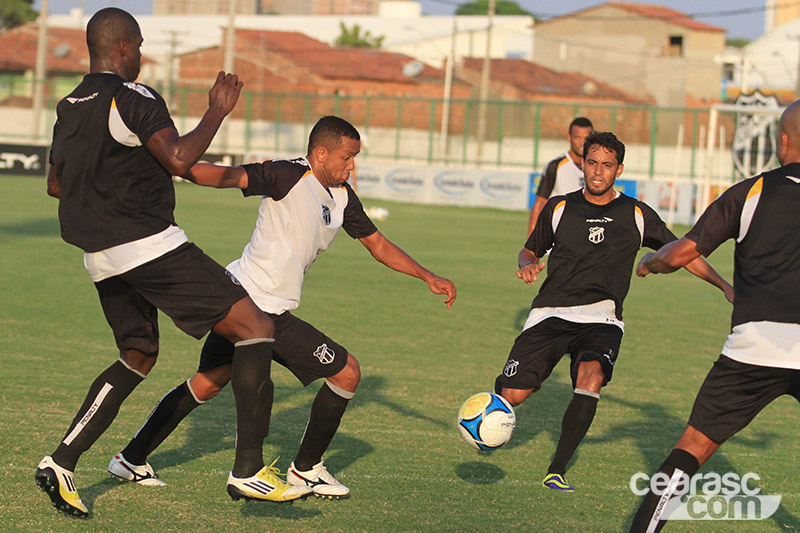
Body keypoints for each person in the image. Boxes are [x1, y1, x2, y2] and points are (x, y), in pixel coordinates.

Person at [35, 8, 311, 518]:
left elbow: (56, 184)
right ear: (123, 47)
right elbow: (180, 159)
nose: (141, 55)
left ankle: (62, 461)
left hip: (100, 256)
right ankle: (248, 470)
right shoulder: (134, 96)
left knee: (137, 355)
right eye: (139, 46)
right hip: (148, 244)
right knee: (255, 327)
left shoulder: (68, 105)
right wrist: (217, 111)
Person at [105, 115, 457, 499]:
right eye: (347, 157)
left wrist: (427, 276)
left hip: (244, 302)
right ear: (320, 154)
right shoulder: (287, 175)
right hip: (256, 306)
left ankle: (131, 458)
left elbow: (378, 244)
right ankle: (306, 469)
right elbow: (226, 177)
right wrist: (174, 164)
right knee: (347, 373)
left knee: (208, 382)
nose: (352, 166)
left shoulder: (342, 197)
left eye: (355, 157)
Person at [495, 131, 733, 492]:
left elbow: (682, 252)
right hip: (551, 313)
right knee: (513, 394)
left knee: (590, 377)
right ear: (583, 164)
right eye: (592, 163)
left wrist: (725, 286)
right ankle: (486, 417)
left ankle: (556, 470)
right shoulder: (559, 208)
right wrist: (526, 263)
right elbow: (529, 250)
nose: (597, 171)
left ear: (619, 169)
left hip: (601, 318)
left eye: (606, 165)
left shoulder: (636, 214)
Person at [629, 101, 800, 531]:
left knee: (694, 444)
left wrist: (651, 262)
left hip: (754, 347)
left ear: (782, 140)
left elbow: (681, 253)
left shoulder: (750, 191)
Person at [527, 117, 593, 236]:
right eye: (577, 138)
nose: (582, 143)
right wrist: (531, 240)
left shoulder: (596, 167)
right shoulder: (556, 166)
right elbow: (540, 202)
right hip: (559, 235)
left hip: (586, 235)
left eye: (586, 138)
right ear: (569, 138)